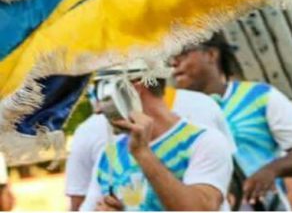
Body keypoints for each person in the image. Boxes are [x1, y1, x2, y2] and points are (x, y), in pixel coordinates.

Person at [171, 33, 292, 207]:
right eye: (169, 58)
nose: (174, 62)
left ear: (211, 54)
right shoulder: (173, 114)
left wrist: (270, 171)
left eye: (182, 53)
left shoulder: (260, 96)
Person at [67, 65, 235, 211]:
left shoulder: (204, 142)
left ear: (133, 87)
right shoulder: (109, 155)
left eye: (102, 93)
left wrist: (143, 154)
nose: (97, 110)